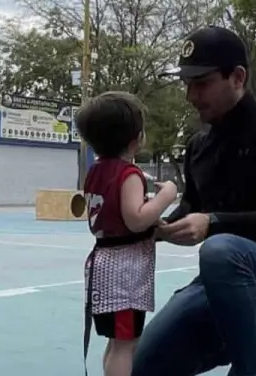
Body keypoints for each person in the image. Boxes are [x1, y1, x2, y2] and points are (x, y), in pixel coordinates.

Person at [133, 26, 256, 376]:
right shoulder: (198, 146)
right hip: (220, 285)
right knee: (143, 366)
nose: (190, 95)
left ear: (237, 77)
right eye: (186, 84)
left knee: (220, 250)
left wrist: (215, 222)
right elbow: (192, 207)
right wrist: (153, 224)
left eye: (200, 83)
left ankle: (250, 370)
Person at [77, 92, 179, 376]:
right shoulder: (129, 173)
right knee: (126, 344)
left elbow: (117, 214)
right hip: (124, 273)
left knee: (117, 342)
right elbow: (135, 219)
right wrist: (167, 196)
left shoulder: (95, 171)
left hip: (104, 266)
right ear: (136, 137)